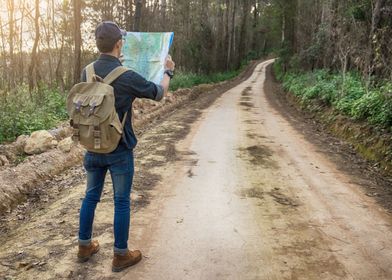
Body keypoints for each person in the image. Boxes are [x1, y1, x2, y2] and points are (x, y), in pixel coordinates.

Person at [76, 21, 175, 272]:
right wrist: (168, 73)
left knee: (90, 197)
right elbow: (158, 94)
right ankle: (120, 255)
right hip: (119, 149)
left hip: (92, 146)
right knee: (121, 201)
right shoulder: (126, 76)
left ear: (98, 44)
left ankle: (84, 246)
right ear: (119, 44)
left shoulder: (86, 72)